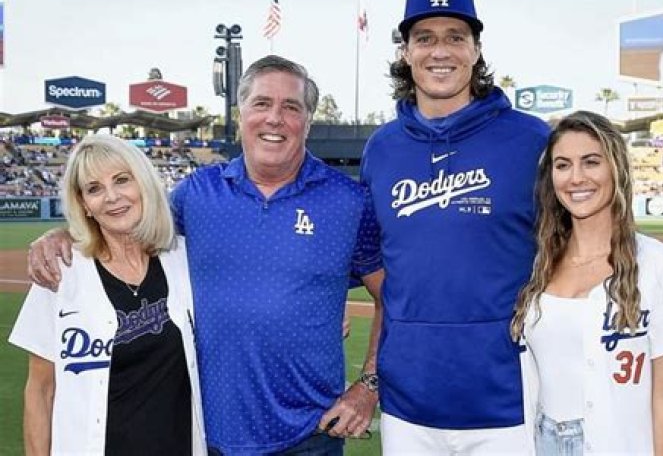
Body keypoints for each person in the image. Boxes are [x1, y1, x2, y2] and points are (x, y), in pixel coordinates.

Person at [27, 55, 384, 455]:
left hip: (310, 435)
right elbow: (130, 221)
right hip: (203, 435)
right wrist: (62, 234)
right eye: (262, 103)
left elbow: (392, 298)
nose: (275, 118)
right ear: (241, 113)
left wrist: (369, 385)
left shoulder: (349, 202)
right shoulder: (195, 194)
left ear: (308, 120)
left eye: (291, 107)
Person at [360, 0, 550, 454]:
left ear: (476, 50)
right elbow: (372, 263)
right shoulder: (382, 149)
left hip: (508, 400)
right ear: (405, 52)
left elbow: (573, 249)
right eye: (424, 38)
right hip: (407, 404)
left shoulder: (531, 140)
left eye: (455, 37)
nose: (439, 51)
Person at [510, 110, 663, 454]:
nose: (576, 178)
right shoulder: (537, 263)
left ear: (616, 169)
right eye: (562, 165)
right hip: (542, 443)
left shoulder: (661, 264)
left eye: (591, 162)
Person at [10, 135, 206, 455]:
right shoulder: (59, 272)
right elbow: (40, 392)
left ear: (143, 183)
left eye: (122, 180)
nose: (112, 197)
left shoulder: (184, 259)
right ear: (84, 205)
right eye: (94, 188)